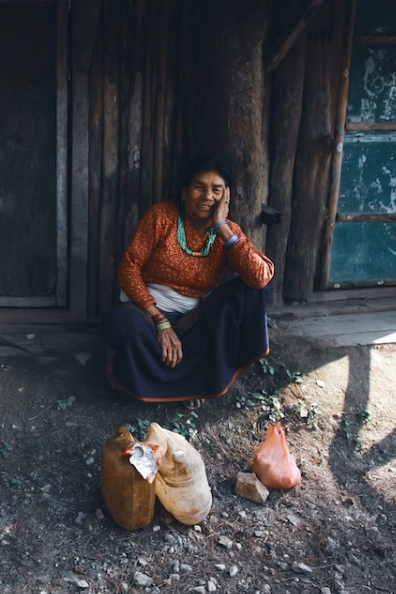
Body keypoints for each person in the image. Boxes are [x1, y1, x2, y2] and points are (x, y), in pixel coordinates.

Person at [105, 155, 274, 407]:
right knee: (125, 324)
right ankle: (185, 381)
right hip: (147, 311)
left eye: (216, 190)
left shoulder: (228, 232)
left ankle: (193, 381)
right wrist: (160, 321)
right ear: (184, 193)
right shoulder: (161, 217)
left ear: (225, 196)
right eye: (199, 187)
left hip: (195, 320)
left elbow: (260, 277)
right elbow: (129, 269)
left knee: (250, 292)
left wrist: (221, 227)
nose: (207, 196)